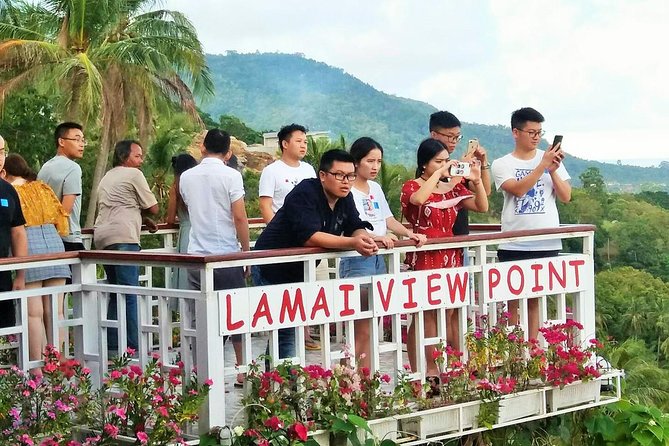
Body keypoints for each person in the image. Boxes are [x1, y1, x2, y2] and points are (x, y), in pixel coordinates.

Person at [254, 149, 378, 362]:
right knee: (284, 330)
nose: (345, 181)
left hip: (298, 270)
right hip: (271, 265)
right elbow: (310, 236)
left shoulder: (344, 197)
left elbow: (354, 225)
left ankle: (277, 385)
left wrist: (365, 238)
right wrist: (352, 242)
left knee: (287, 329)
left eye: (350, 176)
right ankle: (280, 385)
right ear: (323, 175)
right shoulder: (305, 192)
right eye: (339, 175)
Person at [400, 138, 488, 379]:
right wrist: (439, 174)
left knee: (448, 311)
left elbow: (481, 206)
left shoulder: (455, 188)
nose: (445, 165)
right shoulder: (411, 186)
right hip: (425, 254)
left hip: (450, 254)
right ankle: (427, 369)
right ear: (424, 164)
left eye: (446, 160)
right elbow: (418, 200)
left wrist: (477, 180)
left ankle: (448, 365)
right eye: (438, 161)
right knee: (426, 313)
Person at [341, 137, 426, 369]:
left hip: (379, 257)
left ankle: (365, 379)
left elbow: (387, 219)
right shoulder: (348, 191)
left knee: (373, 321)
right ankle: (348, 377)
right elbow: (349, 226)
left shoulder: (375, 188)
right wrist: (377, 237)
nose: (375, 166)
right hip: (359, 258)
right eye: (370, 161)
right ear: (356, 162)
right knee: (359, 325)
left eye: (378, 161)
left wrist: (409, 234)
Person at [491, 107, 571, 340]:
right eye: (531, 132)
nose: (536, 137)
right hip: (514, 242)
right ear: (516, 132)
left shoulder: (548, 160)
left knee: (536, 299)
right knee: (513, 299)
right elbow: (518, 190)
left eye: (539, 132)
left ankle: (534, 346)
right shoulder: (502, 163)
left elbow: (566, 196)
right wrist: (542, 166)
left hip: (546, 241)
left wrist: (553, 171)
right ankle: (515, 348)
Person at [179, 129, 249, 386]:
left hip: (196, 256)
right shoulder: (231, 176)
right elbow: (240, 217)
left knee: (201, 316)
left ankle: (201, 370)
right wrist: (246, 253)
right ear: (228, 153)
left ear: (202, 148)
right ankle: (241, 369)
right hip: (225, 254)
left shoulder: (186, 177)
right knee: (236, 314)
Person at [2, 154, 70, 370]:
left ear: (7, 172)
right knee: (57, 310)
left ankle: (37, 367)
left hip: (30, 243)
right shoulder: (42, 187)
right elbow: (62, 216)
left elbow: (15, 230)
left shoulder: (12, 190)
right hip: (54, 241)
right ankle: (58, 363)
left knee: (33, 313)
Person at [258, 123, 320, 350]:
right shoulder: (272, 171)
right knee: (281, 307)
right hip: (282, 245)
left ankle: (306, 336)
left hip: (308, 243)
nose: (303, 145)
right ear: (285, 144)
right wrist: (278, 235)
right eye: (298, 141)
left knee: (306, 295)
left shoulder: (309, 171)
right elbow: (265, 205)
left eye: (305, 141)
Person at [94, 140, 159, 352]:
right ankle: (133, 348)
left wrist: (139, 217)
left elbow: (118, 203)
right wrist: (145, 214)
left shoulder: (107, 176)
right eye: (138, 156)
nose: (141, 161)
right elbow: (154, 207)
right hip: (124, 238)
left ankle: (113, 346)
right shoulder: (134, 175)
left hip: (103, 238)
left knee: (115, 291)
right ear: (125, 157)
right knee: (130, 294)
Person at [429, 111, 492, 236]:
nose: (454, 141)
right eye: (450, 136)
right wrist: (462, 167)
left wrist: (482, 162)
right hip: (437, 239)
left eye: (457, 137)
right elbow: (443, 192)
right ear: (434, 135)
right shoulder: (428, 164)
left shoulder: (458, 165)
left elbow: (485, 192)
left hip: (460, 236)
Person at [37, 122, 86, 252]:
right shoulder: (73, 168)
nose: (81, 144)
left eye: (83, 140)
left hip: (47, 237)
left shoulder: (45, 168)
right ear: (61, 142)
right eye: (76, 139)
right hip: (68, 237)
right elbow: (66, 210)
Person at [0, 135, 28, 329]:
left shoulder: (8, 191)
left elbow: (18, 233)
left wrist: (20, 275)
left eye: (1, 152)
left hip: (2, 276)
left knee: (5, 331)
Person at [166, 153, 198, 290]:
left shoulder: (175, 188)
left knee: (186, 273)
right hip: (201, 229)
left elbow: (170, 219)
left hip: (186, 233)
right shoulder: (198, 185)